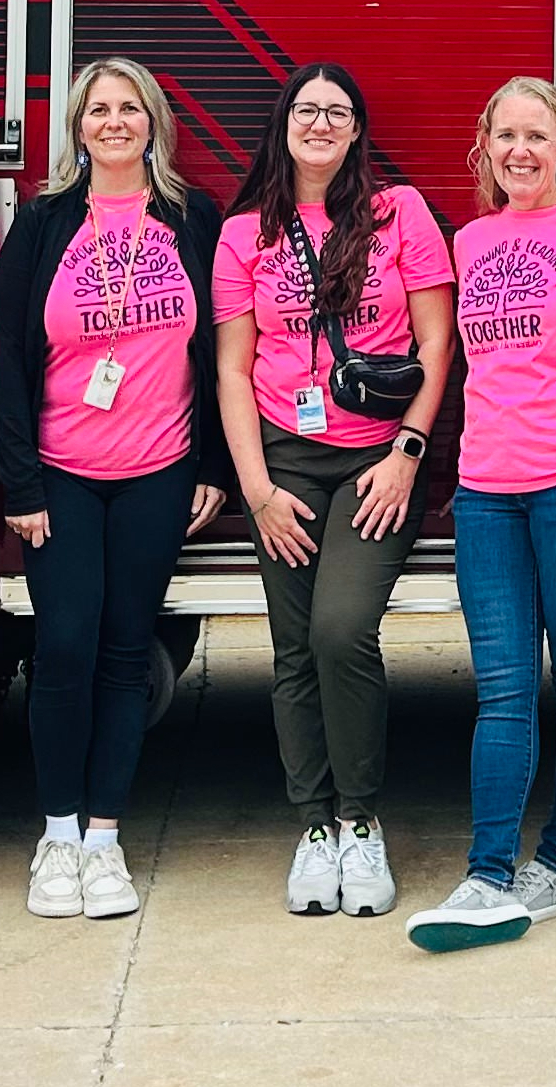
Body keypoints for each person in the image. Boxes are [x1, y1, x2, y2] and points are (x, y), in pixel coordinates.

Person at [210, 63, 458, 919]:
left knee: (340, 631)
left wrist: (406, 455)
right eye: (306, 110)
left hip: (374, 460)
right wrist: (256, 490)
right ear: (283, 124)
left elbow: (437, 344)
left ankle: (360, 819)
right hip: (282, 458)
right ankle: (313, 828)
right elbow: (232, 371)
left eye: (338, 113)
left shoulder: (402, 214)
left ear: (357, 130)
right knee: (290, 650)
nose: (320, 123)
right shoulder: (245, 233)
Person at [405, 79, 556, 953]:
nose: (519, 150)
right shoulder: (469, 241)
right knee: (502, 691)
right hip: (487, 490)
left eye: (535, 136)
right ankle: (485, 874)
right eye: (503, 134)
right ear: (485, 146)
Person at [0, 58, 226, 925]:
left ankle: (103, 838)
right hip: (60, 476)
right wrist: (20, 481)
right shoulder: (45, 222)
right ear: (78, 128)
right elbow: (9, 360)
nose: (115, 122)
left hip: (159, 471)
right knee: (65, 648)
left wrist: (213, 470)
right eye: (99, 110)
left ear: (153, 122)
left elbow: (225, 349)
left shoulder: (193, 218)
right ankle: (56, 835)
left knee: (129, 652)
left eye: (130, 109)